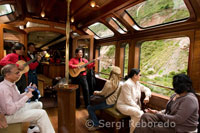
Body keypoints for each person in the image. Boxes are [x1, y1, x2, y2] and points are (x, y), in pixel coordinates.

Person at [134, 74, 199, 133]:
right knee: (146, 116)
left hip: (181, 127)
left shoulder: (189, 99)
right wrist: (157, 112)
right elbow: (169, 110)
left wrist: (158, 114)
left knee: (153, 128)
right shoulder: (175, 95)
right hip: (170, 121)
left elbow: (178, 119)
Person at [0, 64, 55, 133]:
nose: (19, 74)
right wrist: (27, 97)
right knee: (42, 113)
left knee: (38, 104)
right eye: (17, 73)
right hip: (7, 116)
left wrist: (27, 92)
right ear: (7, 75)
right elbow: (10, 111)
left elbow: (17, 98)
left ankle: (32, 128)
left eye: (19, 72)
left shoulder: (12, 84)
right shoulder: (4, 88)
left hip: (13, 111)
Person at [87, 66, 121, 131]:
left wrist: (95, 92)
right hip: (113, 102)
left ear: (111, 73)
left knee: (89, 107)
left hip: (107, 102)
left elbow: (102, 93)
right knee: (92, 99)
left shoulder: (108, 83)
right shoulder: (120, 84)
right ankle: (92, 118)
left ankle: (96, 124)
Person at [116, 68, 151, 133]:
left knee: (136, 116)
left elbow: (146, 89)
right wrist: (138, 107)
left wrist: (147, 96)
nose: (140, 76)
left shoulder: (137, 83)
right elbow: (128, 100)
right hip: (123, 105)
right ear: (135, 76)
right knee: (139, 113)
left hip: (132, 106)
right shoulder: (127, 84)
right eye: (140, 75)